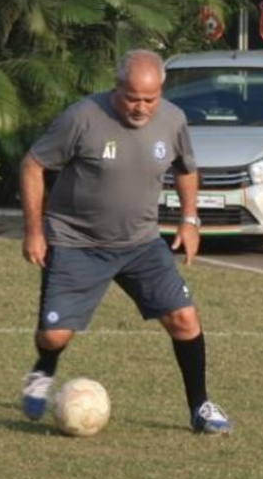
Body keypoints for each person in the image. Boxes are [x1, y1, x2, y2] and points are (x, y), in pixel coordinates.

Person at [19, 49, 230, 435]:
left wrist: (189, 219)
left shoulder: (173, 119)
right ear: (116, 87)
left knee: (184, 320)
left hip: (141, 243)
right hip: (76, 241)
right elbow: (33, 164)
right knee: (53, 335)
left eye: (150, 99)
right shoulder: (82, 117)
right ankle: (43, 369)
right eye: (132, 98)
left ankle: (200, 407)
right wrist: (34, 230)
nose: (141, 107)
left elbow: (186, 169)